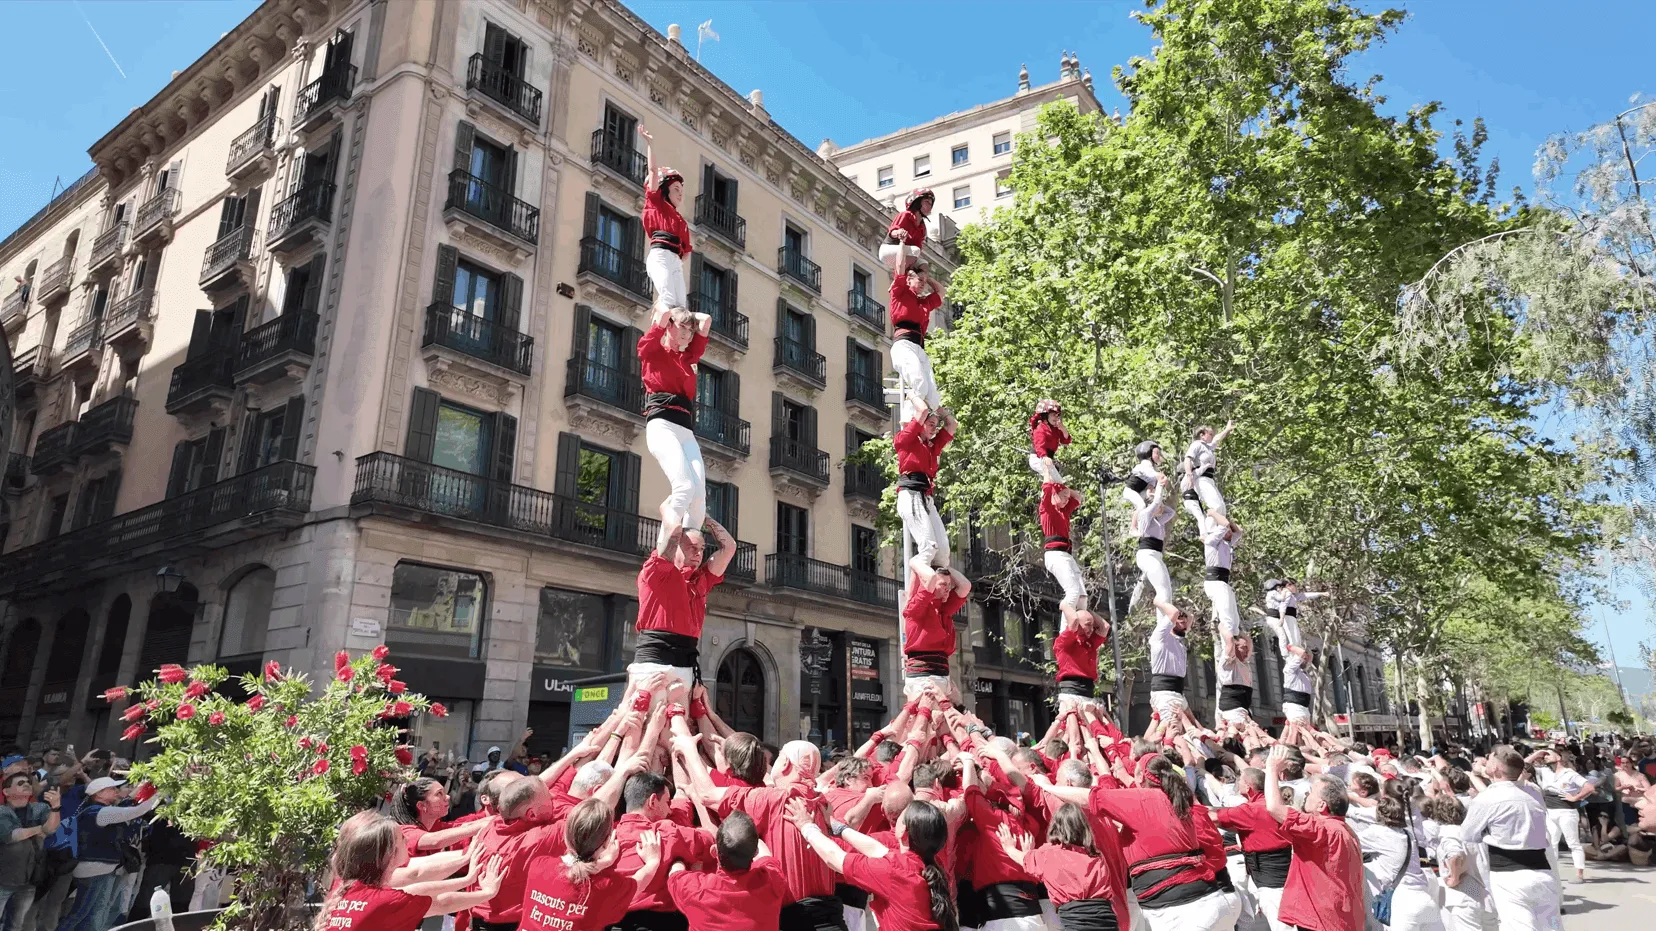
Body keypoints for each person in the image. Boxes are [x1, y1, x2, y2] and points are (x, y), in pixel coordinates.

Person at [1033, 754, 1235, 931]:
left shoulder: (1144, 798)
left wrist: (1046, 786)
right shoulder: (1176, 799)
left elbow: (1088, 797)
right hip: (1208, 900)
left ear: (1140, 777)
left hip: (1182, 911)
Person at [314, 812, 503, 931]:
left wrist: (466, 873)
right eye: (400, 837)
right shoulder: (386, 901)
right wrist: (486, 892)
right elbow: (440, 902)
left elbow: (418, 880)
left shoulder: (347, 886)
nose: (406, 838)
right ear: (388, 854)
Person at [789, 798, 959, 931]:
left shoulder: (895, 871)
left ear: (903, 831)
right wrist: (837, 827)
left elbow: (835, 858)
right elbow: (877, 849)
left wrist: (807, 827)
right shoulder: (926, 865)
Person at [518, 798, 664, 931]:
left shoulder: (538, 865)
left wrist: (603, 862)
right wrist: (653, 861)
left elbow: (573, 871)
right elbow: (637, 885)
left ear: (566, 833)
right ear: (607, 841)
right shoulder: (605, 886)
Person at [1259, 746, 1363, 931]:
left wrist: (1272, 768)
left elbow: (1274, 807)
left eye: (1311, 792)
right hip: (1335, 917)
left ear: (1322, 804)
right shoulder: (1341, 829)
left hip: (1323, 920)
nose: (1307, 794)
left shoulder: (1322, 828)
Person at [1460, 747, 1559, 931]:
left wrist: (1487, 834)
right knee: (1550, 927)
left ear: (1496, 768)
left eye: (1489, 760)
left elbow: (1467, 835)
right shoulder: (1531, 796)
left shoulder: (1488, 798)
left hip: (1509, 874)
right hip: (1542, 871)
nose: (1485, 764)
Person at [640, 302, 714, 546]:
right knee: (683, 485)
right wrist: (672, 314)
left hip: (685, 429)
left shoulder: (689, 357)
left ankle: (687, 553)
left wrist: (687, 317)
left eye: (689, 331)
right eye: (682, 328)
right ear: (668, 327)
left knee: (699, 496)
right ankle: (664, 551)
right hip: (662, 424)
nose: (687, 334)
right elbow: (660, 313)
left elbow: (706, 320)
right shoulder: (652, 350)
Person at [633, 519, 737, 693]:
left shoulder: (702, 578)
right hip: (656, 657)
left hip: (686, 659)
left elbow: (729, 548)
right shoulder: (656, 571)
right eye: (692, 548)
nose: (698, 554)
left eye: (702, 549)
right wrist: (678, 507)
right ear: (676, 548)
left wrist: (707, 519)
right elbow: (672, 531)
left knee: (682, 716)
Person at [996, 803, 1127, 931]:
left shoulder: (1048, 854)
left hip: (1076, 923)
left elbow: (1023, 859)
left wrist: (1009, 847)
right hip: (1107, 920)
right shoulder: (1096, 854)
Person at [55, 776, 161, 931]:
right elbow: (136, 810)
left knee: (94, 914)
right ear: (98, 794)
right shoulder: (98, 812)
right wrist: (162, 793)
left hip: (101, 869)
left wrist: (147, 784)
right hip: (94, 869)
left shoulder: (97, 810)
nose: (116, 791)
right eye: (111, 789)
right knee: (82, 913)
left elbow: (130, 801)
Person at [613, 772, 715, 931]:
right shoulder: (666, 833)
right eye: (667, 802)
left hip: (612, 921)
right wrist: (696, 798)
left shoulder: (608, 835)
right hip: (658, 922)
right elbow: (711, 840)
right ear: (653, 801)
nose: (669, 810)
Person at [667, 812, 790, 931]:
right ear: (754, 853)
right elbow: (765, 854)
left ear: (714, 851)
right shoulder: (772, 881)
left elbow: (674, 872)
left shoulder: (695, 890)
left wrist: (683, 857)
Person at [1213, 769, 1293, 931]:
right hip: (1281, 873)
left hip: (1271, 881)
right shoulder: (1272, 806)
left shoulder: (1252, 810)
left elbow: (1214, 817)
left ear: (1249, 787)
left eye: (1240, 780)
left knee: (1282, 925)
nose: (1237, 783)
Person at [1355, 797, 1444, 931]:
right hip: (1425, 898)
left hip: (1403, 901)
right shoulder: (1408, 834)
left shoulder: (1378, 833)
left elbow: (1351, 841)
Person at [894, 408, 957, 576]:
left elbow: (952, 424)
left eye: (936, 426)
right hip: (911, 494)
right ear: (919, 424)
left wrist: (939, 409)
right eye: (930, 424)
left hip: (926, 498)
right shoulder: (905, 440)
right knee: (928, 547)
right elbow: (921, 410)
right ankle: (920, 586)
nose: (934, 429)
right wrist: (917, 396)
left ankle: (935, 591)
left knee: (942, 553)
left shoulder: (932, 447)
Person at [638, 125, 693, 308]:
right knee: (668, 299)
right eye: (676, 189)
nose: (680, 194)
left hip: (674, 260)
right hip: (660, 254)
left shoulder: (681, 222)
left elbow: (685, 252)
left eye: (682, 191)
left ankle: (674, 334)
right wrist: (650, 144)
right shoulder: (655, 203)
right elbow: (653, 171)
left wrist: (676, 262)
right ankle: (657, 330)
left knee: (681, 308)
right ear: (664, 190)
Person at [1421, 796, 1491, 931]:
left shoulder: (1449, 832)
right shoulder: (1472, 832)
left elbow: (1455, 854)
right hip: (1485, 894)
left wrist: (1454, 877)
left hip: (1465, 895)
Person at [901, 568, 971, 700]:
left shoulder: (944, 608)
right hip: (923, 677)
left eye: (949, 585)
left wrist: (945, 565)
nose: (947, 589)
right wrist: (916, 562)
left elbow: (965, 586)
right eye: (943, 585)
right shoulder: (917, 607)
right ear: (932, 586)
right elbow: (931, 577)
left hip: (942, 675)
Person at [888, 265, 947, 422]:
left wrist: (928, 278)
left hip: (919, 348)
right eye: (920, 280)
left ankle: (920, 425)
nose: (923, 284)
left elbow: (942, 292)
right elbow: (900, 267)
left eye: (924, 282)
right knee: (919, 385)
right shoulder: (900, 293)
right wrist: (902, 243)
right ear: (909, 280)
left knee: (933, 398)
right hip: (904, 344)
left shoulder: (924, 302)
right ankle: (908, 422)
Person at [0, 772, 58, 931]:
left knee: (16, 925)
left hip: (29, 879)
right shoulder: (2, 812)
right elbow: (12, 835)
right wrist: (40, 829)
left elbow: (52, 829)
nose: (26, 784)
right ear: (6, 792)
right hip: (3, 879)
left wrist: (55, 808)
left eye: (27, 782)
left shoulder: (39, 808)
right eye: (20, 783)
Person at [1528, 748, 1593, 883]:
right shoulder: (1545, 771)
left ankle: (1579, 873)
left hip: (1566, 811)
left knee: (1573, 842)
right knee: (1551, 842)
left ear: (1558, 757)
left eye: (1548, 755)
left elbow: (1589, 787)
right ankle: (1552, 872)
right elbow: (1523, 765)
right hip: (1550, 810)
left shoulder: (1569, 773)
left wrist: (1576, 797)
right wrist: (1537, 754)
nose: (1545, 757)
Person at [1127, 443, 1176, 608]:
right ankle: (1132, 529)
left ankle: (1163, 618)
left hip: (1156, 555)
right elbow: (1154, 504)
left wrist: (1157, 496)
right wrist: (1160, 488)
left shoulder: (1156, 520)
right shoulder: (1146, 517)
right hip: (1147, 555)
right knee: (1163, 592)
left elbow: (1170, 513)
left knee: (1167, 592)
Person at [1039, 479, 1093, 627]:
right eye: (1063, 497)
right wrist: (1049, 472)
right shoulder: (1047, 509)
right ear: (1055, 496)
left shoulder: (1064, 512)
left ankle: (1079, 630)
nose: (1066, 500)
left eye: (1067, 498)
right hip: (1055, 555)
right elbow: (1047, 486)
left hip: (1067, 556)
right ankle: (1066, 632)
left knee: (1082, 598)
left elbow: (1078, 498)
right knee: (1073, 592)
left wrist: (1067, 490)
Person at [393, 777, 488, 855]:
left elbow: (462, 826)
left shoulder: (434, 826)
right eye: (439, 793)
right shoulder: (404, 831)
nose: (448, 797)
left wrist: (494, 819)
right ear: (422, 805)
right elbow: (435, 841)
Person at [1052, 612, 1111, 714]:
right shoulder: (1064, 642)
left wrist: (1086, 609)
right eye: (1088, 625)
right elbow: (1074, 619)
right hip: (1072, 690)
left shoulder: (1089, 642)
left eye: (1092, 626)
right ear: (1078, 624)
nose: (1091, 629)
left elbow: (1105, 626)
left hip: (1088, 689)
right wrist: (1064, 605)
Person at [1182, 423, 1235, 516]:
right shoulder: (1197, 444)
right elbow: (1187, 459)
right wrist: (1189, 476)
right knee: (1216, 506)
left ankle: (1218, 527)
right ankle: (1212, 529)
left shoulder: (1208, 447)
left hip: (1209, 479)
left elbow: (1217, 439)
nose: (1212, 436)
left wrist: (1227, 429)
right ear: (1202, 435)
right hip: (1201, 478)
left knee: (1222, 507)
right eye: (1210, 434)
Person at [882, 189, 934, 276]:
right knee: (915, 251)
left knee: (923, 265)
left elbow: (918, 247)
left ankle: (911, 283)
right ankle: (900, 278)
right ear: (917, 202)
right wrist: (899, 232)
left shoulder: (922, 227)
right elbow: (892, 233)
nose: (930, 206)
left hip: (904, 253)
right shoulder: (905, 215)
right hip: (888, 250)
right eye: (927, 202)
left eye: (931, 204)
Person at [1029, 400, 1072, 485]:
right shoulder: (1040, 428)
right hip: (1038, 458)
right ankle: (1048, 496)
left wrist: (1063, 428)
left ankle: (1046, 497)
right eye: (1053, 415)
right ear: (1045, 416)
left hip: (1046, 459)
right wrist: (1044, 457)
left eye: (1057, 415)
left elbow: (1066, 441)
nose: (1056, 417)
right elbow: (1039, 446)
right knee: (1054, 481)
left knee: (1058, 482)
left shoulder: (1056, 429)